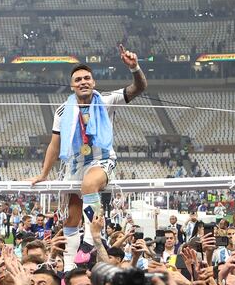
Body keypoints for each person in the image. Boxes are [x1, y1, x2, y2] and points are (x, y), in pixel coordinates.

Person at [30, 45, 147, 271]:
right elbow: (54, 146)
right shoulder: (63, 111)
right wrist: (43, 174)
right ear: (72, 85)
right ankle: (70, 268)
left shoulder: (106, 100)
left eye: (87, 78)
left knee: (90, 184)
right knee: (71, 219)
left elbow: (139, 87)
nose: (83, 81)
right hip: (73, 165)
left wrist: (135, 68)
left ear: (93, 82)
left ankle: (92, 239)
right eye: (78, 79)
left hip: (100, 160)